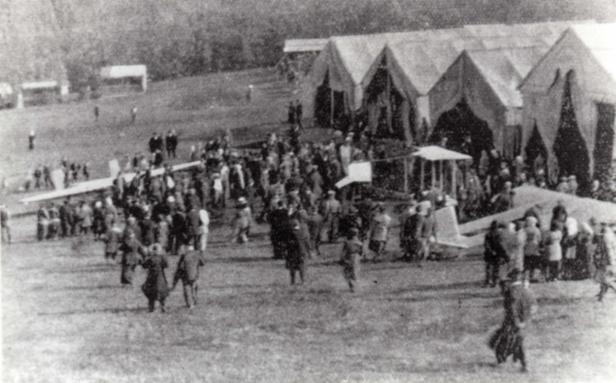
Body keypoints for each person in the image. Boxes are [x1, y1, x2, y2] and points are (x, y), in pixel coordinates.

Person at [489, 270, 537, 373]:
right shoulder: (527, 290)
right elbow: (534, 307)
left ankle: (504, 362)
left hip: (513, 323)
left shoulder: (512, 292)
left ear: (512, 279)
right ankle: (523, 364)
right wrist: (527, 319)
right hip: (525, 323)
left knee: (504, 343)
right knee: (518, 342)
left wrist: (517, 322)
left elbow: (512, 309)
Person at [173, 244, 204, 309]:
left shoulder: (184, 256)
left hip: (186, 275)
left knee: (187, 289)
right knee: (194, 288)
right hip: (195, 275)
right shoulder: (197, 254)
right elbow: (202, 263)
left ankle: (190, 304)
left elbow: (180, 266)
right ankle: (195, 300)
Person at [141, 244, 170, 312]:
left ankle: (151, 308)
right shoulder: (162, 257)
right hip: (160, 276)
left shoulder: (150, 258)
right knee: (162, 291)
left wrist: (146, 257)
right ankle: (163, 306)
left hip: (151, 277)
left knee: (150, 291)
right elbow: (166, 265)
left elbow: (144, 265)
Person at [594, 223, 616, 302]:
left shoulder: (605, 236)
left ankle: (601, 295)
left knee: (606, 279)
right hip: (609, 261)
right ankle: (601, 296)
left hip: (606, 260)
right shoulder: (609, 237)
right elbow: (609, 250)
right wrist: (612, 261)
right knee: (608, 279)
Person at [285, 218, 310, 285]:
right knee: (302, 267)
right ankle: (303, 281)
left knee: (292, 268)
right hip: (302, 252)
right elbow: (307, 242)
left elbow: (287, 243)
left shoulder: (289, 233)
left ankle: (292, 281)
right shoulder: (303, 232)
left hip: (292, 253)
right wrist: (308, 250)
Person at [484, 221, 507, 287]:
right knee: (496, 268)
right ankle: (495, 282)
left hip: (489, 254)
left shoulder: (488, 234)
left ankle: (488, 281)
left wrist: (491, 251)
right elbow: (501, 244)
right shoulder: (500, 234)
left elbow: (486, 244)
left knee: (489, 268)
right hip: (498, 253)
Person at [340, 227, 362, 292]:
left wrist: (342, 259)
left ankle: (351, 285)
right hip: (356, 258)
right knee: (355, 271)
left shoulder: (347, 242)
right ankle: (353, 285)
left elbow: (343, 252)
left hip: (348, 257)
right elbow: (361, 252)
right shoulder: (359, 243)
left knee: (346, 272)